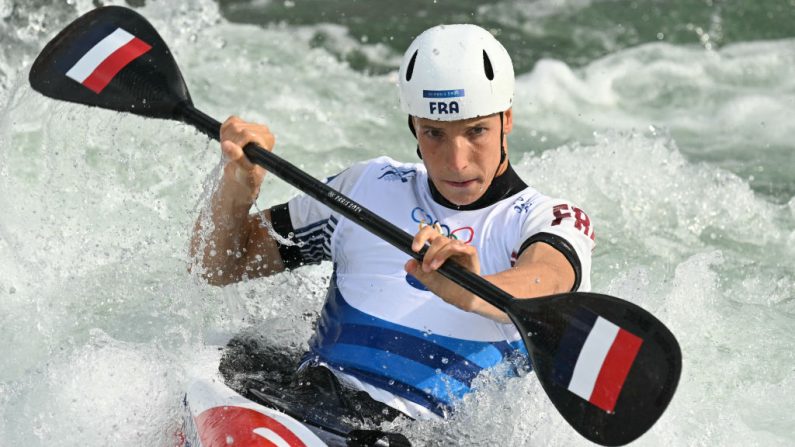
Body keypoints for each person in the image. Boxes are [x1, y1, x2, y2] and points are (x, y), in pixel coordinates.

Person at [191, 24, 595, 427]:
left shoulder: (548, 218)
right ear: (412, 127)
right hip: (306, 406)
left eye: (476, 131)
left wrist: (472, 290)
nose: (457, 161)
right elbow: (220, 266)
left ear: (506, 120)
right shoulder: (367, 188)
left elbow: (546, 282)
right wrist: (238, 186)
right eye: (434, 133)